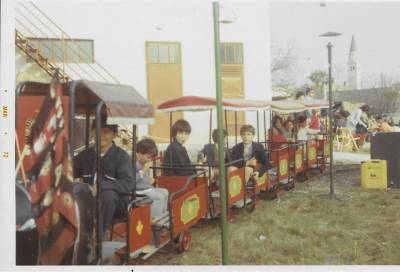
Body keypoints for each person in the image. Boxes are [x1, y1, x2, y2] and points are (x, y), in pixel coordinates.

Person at [74, 119, 133, 237]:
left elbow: (127, 183)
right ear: (92, 132)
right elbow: (69, 171)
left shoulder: (121, 157)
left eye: (106, 132)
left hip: (116, 205)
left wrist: (101, 186)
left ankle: (97, 237)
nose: (101, 135)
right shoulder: (84, 155)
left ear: (114, 134)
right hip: (88, 200)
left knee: (107, 195)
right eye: (97, 131)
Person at [135, 138, 169, 219]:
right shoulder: (134, 164)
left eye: (151, 158)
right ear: (139, 153)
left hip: (146, 189)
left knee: (165, 192)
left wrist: (149, 180)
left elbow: (143, 179)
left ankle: (162, 216)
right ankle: (154, 220)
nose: (149, 160)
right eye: (148, 157)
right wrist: (143, 171)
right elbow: (131, 180)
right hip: (138, 192)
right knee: (159, 197)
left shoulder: (143, 162)